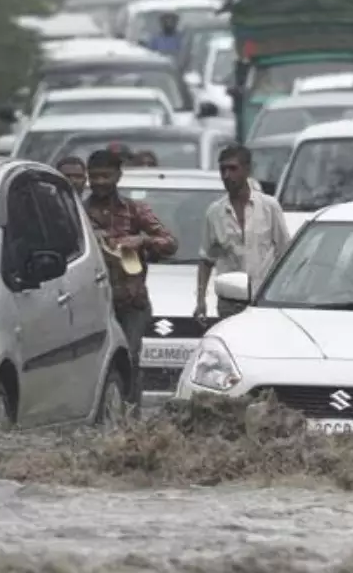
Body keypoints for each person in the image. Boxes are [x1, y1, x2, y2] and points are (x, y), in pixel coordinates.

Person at [86, 149, 177, 402]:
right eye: (94, 177)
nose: (100, 182)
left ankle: (130, 418)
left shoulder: (135, 210)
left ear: (118, 176)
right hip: (93, 302)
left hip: (130, 303)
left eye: (106, 176)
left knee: (129, 359)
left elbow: (170, 243)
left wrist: (142, 240)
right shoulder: (79, 212)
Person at [196, 145, 292, 323]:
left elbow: (285, 254)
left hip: (263, 300)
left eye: (233, 169)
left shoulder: (269, 207)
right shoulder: (215, 212)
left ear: (247, 170)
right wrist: (201, 301)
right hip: (229, 302)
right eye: (223, 170)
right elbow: (206, 260)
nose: (227, 176)